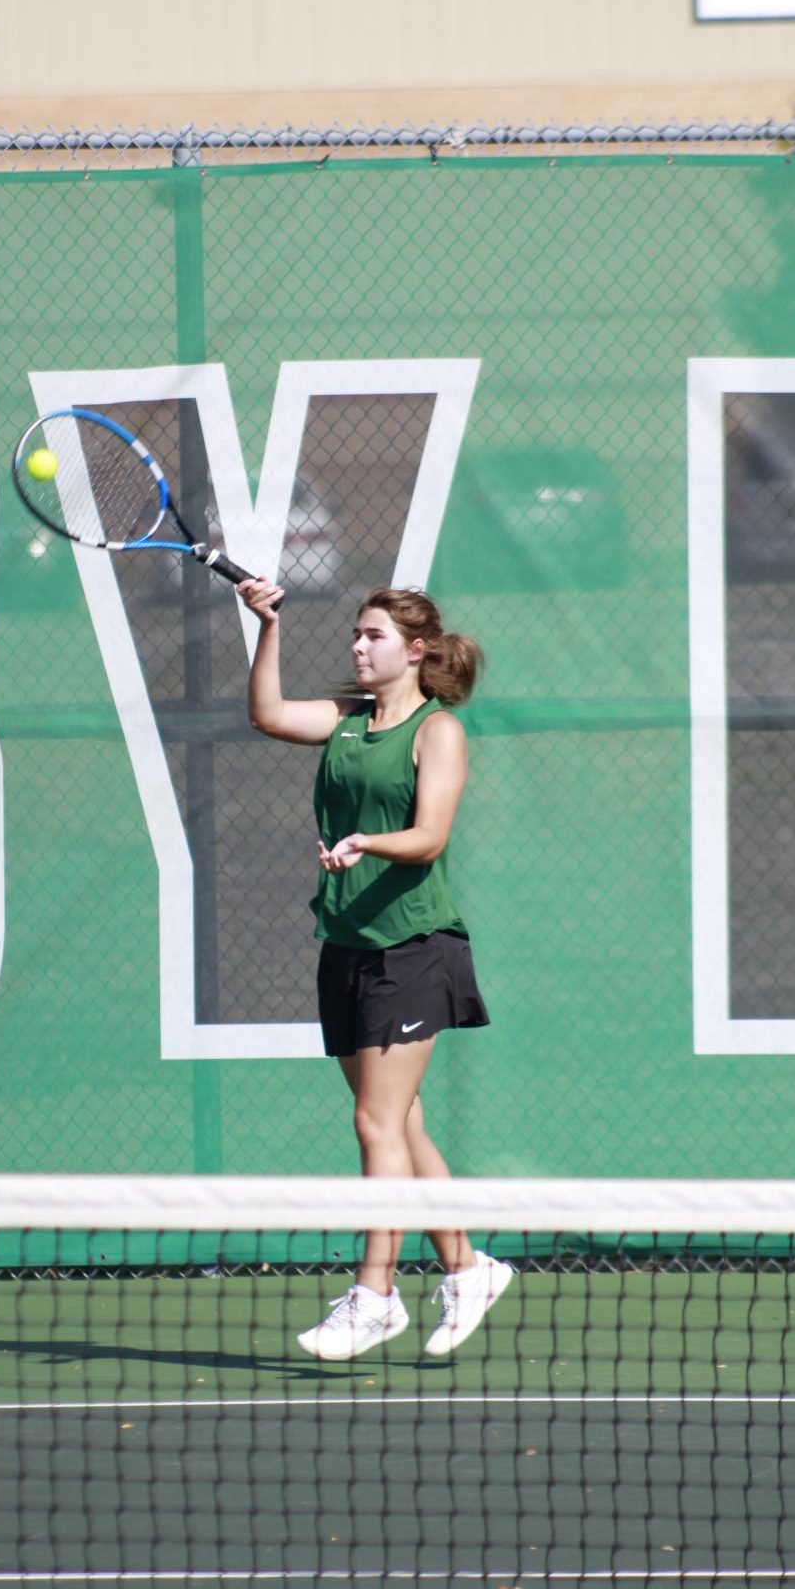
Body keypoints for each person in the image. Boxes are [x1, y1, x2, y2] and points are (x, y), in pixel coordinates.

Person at [238, 577, 513, 1361]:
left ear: (415, 650)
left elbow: (427, 836)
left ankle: (375, 1293)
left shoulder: (439, 731)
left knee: (375, 1123)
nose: (358, 648)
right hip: (348, 943)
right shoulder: (348, 722)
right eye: (356, 636)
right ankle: (467, 1266)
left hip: (415, 949)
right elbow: (267, 714)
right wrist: (268, 626)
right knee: (401, 1121)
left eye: (374, 637)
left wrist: (365, 841)